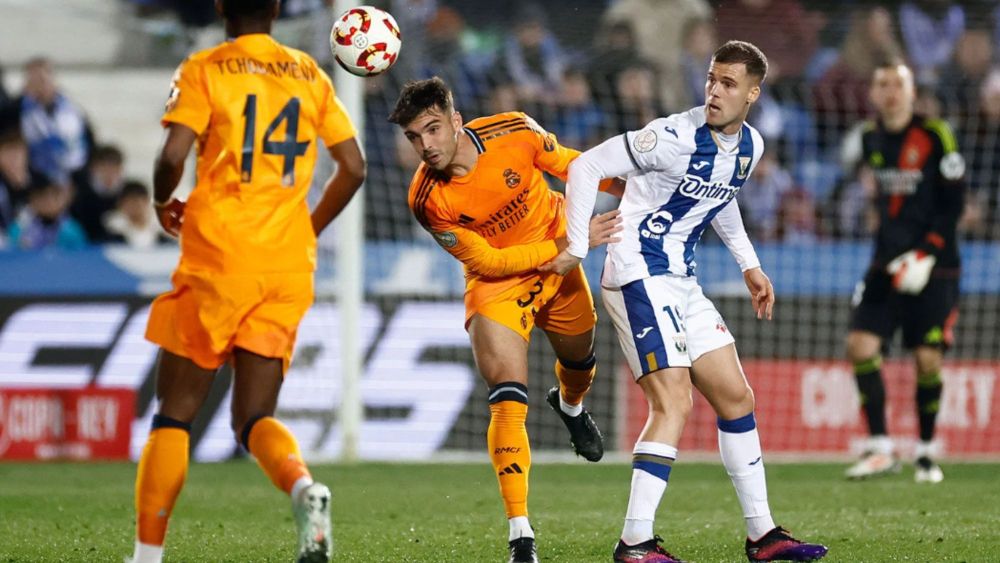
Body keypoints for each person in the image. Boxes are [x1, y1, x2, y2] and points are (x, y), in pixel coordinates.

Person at [543, 40, 829, 562]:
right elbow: (584, 166)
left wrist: (748, 262)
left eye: (728, 84)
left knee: (737, 398)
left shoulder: (751, 147)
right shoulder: (671, 136)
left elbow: (719, 198)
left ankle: (762, 536)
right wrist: (578, 244)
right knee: (673, 402)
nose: (715, 90)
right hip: (636, 270)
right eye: (712, 79)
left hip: (681, 278)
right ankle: (634, 544)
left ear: (752, 94)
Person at [129, 1, 366, 563]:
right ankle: (305, 488)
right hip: (286, 266)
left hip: (219, 259)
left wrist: (163, 200)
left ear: (218, 6)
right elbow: (353, 167)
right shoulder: (309, 72)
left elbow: (171, 156)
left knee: (175, 414)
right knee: (254, 418)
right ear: (279, 8)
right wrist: (304, 229)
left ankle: (145, 557)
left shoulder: (204, 67)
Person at [388, 76, 622, 563]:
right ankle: (521, 535)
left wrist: (631, 184)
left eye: (432, 129)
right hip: (500, 283)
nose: (425, 145)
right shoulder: (427, 199)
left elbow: (576, 167)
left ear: (455, 121)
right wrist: (565, 248)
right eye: (414, 137)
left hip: (558, 255)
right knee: (507, 399)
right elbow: (489, 264)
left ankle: (571, 407)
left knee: (580, 363)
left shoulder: (512, 130)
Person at [843, 60, 965, 484]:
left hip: (936, 265)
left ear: (912, 93)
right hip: (886, 262)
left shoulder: (935, 135)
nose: (890, 91)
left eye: (898, 84)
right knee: (860, 345)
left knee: (927, 359)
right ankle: (880, 448)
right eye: (882, 84)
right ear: (873, 93)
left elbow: (953, 204)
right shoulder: (869, 137)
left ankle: (927, 452)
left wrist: (928, 252)